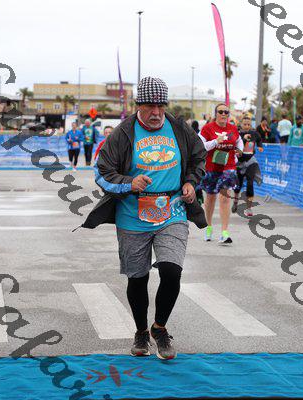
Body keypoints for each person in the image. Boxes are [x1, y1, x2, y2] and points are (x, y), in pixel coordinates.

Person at [81, 77, 206, 360]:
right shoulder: (123, 133)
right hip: (132, 214)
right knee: (137, 278)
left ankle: (159, 328)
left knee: (171, 271)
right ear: (138, 105)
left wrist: (190, 181)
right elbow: (102, 172)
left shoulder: (178, 127)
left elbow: (199, 156)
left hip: (172, 210)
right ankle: (140, 331)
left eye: (161, 106)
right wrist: (129, 183)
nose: (156, 112)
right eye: (150, 106)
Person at [198, 103, 243, 244]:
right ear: (216, 113)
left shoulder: (232, 128)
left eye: (226, 112)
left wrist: (239, 151)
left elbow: (239, 141)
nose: (224, 114)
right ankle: (209, 227)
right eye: (221, 112)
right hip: (211, 167)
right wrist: (215, 142)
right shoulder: (207, 128)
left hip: (228, 167)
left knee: (225, 197)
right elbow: (200, 146)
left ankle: (224, 232)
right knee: (210, 198)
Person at [232, 116, 263, 217]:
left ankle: (249, 208)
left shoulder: (254, 133)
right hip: (239, 163)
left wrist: (260, 146)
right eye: (245, 124)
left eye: (248, 124)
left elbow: (259, 139)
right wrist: (243, 139)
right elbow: (234, 145)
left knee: (250, 182)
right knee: (238, 185)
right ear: (241, 124)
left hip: (250, 161)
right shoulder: (237, 134)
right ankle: (235, 202)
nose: (247, 126)